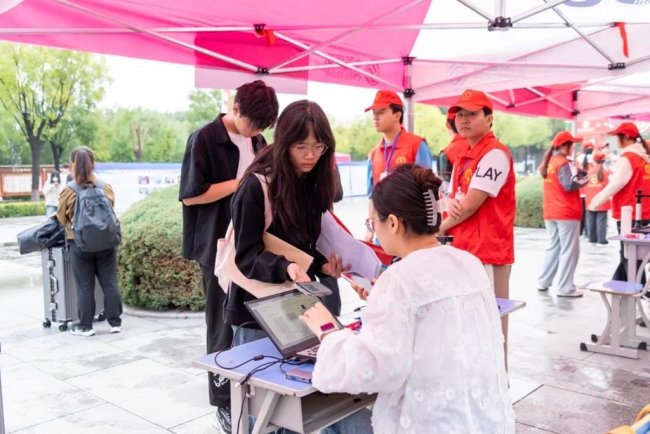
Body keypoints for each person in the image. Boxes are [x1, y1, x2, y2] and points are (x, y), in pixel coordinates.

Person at [300, 163, 515, 433]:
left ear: (393, 223)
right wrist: (382, 300)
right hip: (482, 418)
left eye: (374, 222)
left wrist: (328, 331)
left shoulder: (399, 277)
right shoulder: (469, 263)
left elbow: (376, 368)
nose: (375, 230)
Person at [227, 100, 372, 434]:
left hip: (295, 308)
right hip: (255, 313)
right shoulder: (255, 186)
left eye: (318, 147)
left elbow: (305, 245)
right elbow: (245, 255)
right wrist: (286, 267)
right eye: (301, 146)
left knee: (296, 407)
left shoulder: (313, 182)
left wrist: (324, 266)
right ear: (284, 143)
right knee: (260, 413)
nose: (310, 155)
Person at [178, 80, 279, 434]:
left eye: (263, 127)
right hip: (217, 244)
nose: (256, 131)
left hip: (251, 246)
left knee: (251, 322)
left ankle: (255, 392)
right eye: (253, 123)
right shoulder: (204, 138)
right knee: (221, 327)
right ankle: (222, 403)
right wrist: (243, 181)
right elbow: (191, 195)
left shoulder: (258, 140)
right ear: (235, 108)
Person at [438, 89, 516, 366]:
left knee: (490, 328)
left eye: (472, 113)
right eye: (460, 114)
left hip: (488, 253)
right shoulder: (464, 157)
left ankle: (497, 391)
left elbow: (469, 205)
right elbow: (456, 202)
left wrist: (438, 229)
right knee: (469, 328)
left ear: (489, 118)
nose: (464, 119)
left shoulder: (495, 154)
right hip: (464, 250)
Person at [57, 147, 123, 337]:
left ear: (72, 165)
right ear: (93, 163)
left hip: (79, 243)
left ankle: (85, 326)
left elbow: (62, 218)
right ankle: (115, 322)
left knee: (85, 286)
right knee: (109, 282)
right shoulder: (105, 187)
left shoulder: (68, 191)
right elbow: (110, 211)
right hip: (107, 243)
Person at [364, 90, 432, 243]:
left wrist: (429, 230)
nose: (375, 117)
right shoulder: (374, 154)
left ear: (397, 115)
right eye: (374, 113)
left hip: (411, 234)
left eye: (381, 112)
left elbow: (428, 190)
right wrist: (369, 232)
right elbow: (372, 197)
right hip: (383, 237)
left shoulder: (416, 145)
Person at [588, 122, 650, 283]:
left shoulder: (628, 157)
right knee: (640, 253)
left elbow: (617, 183)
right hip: (646, 210)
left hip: (628, 212)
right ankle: (622, 283)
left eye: (618, 136)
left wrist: (595, 203)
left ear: (627, 137)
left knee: (629, 253)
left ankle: (634, 287)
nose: (616, 141)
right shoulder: (646, 155)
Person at [536, 131, 588, 298]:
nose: (573, 148)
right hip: (566, 212)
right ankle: (565, 287)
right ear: (565, 146)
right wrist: (585, 176)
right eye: (571, 145)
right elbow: (569, 185)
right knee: (569, 250)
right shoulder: (564, 163)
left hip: (551, 211)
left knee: (554, 246)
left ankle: (543, 282)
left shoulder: (548, 162)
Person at [584, 151, 611, 246]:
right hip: (602, 200)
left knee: (590, 220)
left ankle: (592, 238)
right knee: (601, 220)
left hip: (590, 200)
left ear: (594, 161)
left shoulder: (589, 172)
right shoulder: (606, 172)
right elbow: (609, 186)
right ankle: (601, 239)